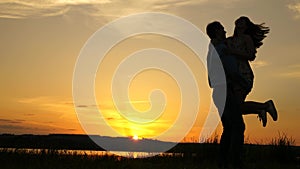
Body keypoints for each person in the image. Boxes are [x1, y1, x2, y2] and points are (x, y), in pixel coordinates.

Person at [206, 21, 245, 169]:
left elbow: (210, 80)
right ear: (216, 31)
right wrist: (243, 82)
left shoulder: (211, 50)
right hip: (225, 90)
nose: (225, 31)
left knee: (228, 127)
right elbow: (233, 71)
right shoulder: (222, 49)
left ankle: (222, 162)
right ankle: (236, 163)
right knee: (238, 126)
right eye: (222, 29)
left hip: (217, 92)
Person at [226, 16, 278, 127]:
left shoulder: (246, 38)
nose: (240, 20)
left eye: (243, 20)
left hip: (244, 74)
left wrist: (233, 52)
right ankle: (260, 109)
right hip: (232, 76)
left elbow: (251, 56)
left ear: (246, 25)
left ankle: (265, 106)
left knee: (237, 107)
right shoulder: (229, 40)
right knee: (235, 108)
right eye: (239, 20)